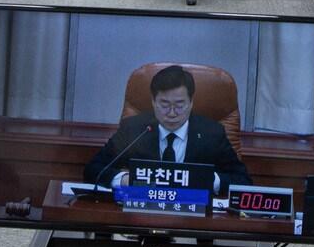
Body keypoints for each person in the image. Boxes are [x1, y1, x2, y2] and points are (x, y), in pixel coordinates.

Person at [83, 65, 250, 196]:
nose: (171, 113)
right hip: (142, 216)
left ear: (191, 102)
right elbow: (93, 169)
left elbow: (243, 182)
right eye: (164, 104)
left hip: (194, 219)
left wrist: (209, 180)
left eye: (179, 105)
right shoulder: (134, 129)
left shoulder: (212, 134)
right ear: (153, 101)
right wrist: (124, 180)